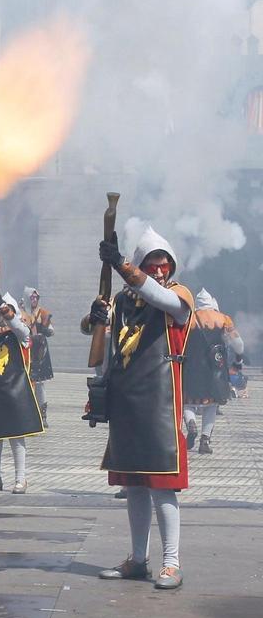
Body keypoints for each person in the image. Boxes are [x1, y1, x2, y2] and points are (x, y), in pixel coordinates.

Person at [92, 226, 192, 591]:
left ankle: (171, 563)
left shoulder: (178, 296)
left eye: (164, 265)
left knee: (163, 486)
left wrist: (121, 263)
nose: (160, 271)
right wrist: (94, 317)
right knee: (134, 485)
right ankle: (138, 559)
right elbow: (99, 335)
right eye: (153, 264)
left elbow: (157, 297)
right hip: (127, 401)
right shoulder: (123, 301)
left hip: (161, 404)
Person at [0, 292, 44, 495]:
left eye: (6, 314)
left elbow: (19, 327)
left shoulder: (20, 333)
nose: (3, 319)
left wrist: (3, 306)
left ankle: (21, 479)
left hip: (16, 390)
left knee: (16, 436)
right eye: (1, 316)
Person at [181, 289, 242, 455]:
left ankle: (191, 423)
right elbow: (238, 344)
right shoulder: (223, 319)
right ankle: (205, 441)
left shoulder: (187, 318)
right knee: (212, 405)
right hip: (215, 369)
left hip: (190, 367)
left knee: (187, 402)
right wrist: (239, 360)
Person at [21, 288, 54, 427]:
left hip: (39, 351)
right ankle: (25, 413)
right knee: (23, 382)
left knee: (40, 383)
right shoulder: (21, 313)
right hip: (25, 349)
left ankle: (42, 415)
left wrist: (44, 330)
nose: (34, 300)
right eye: (32, 298)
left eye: (36, 298)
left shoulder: (43, 313)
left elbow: (51, 331)